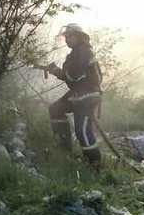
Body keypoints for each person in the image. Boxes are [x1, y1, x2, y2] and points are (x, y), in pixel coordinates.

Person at [43, 23, 103, 166]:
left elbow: (73, 76)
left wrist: (56, 71)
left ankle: (94, 164)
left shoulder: (81, 52)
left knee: (82, 131)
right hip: (79, 95)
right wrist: (57, 71)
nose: (67, 40)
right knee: (56, 109)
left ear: (78, 36)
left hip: (86, 97)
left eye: (69, 36)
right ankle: (64, 148)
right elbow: (74, 77)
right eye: (66, 37)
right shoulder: (81, 51)